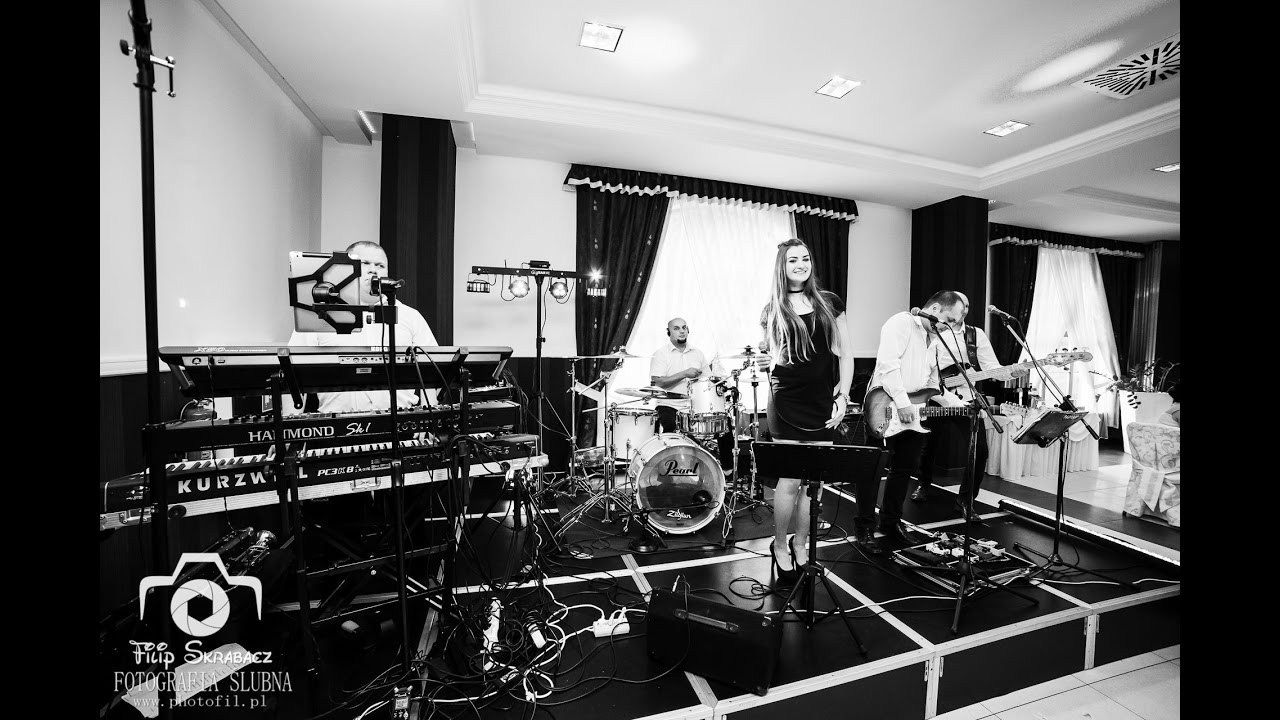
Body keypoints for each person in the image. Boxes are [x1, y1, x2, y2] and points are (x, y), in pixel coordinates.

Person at [758, 239, 854, 586]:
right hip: (786, 401)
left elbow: (845, 353)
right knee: (790, 481)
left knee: (814, 483)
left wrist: (843, 396)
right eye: (792, 260)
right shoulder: (772, 309)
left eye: (805, 258)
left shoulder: (830, 302)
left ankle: (801, 545)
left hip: (821, 403)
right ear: (782, 268)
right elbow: (773, 357)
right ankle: (779, 545)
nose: (800, 264)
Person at [864, 291, 968, 548]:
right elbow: (888, 366)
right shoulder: (901, 323)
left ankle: (891, 522)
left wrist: (958, 405)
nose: (951, 326)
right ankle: (864, 527)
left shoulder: (936, 339)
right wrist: (902, 403)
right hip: (885, 404)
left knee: (903, 470)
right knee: (872, 472)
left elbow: (933, 383)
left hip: (914, 410)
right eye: (950, 319)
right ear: (935, 309)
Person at [287, 241, 439, 413]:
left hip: (400, 419)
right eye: (365, 263)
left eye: (380, 265)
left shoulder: (410, 317)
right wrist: (290, 423)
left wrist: (430, 416)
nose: (373, 270)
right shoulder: (318, 315)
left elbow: (432, 370)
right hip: (337, 422)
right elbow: (291, 372)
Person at [913, 292, 1026, 520]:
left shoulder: (976, 335)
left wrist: (1012, 372)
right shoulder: (933, 329)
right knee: (928, 446)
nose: (964, 309)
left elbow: (992, 368)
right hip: (935, 396)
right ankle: (923, 484)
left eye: (967, 305)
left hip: (967, 399)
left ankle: (965, 501)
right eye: (960, 305)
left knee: (979, 451)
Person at [649, 317, 719, 434]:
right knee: (671, 426)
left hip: (695, 406)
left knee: (723, 426)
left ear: (688, 330)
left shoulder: (698, 353)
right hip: (669, 405)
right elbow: (658, 382)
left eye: (684, 327)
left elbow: (708, 380)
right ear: (669, 332)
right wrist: (684, 373)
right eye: (676, 328)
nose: (681, 331)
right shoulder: (660, 354)